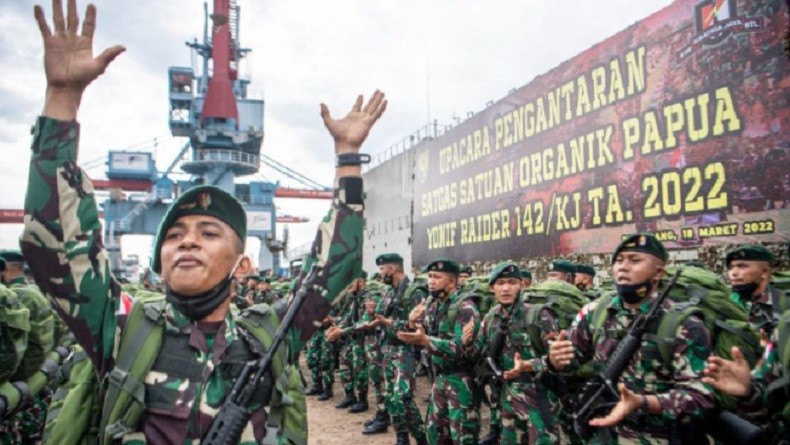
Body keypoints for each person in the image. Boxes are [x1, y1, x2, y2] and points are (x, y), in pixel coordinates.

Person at [20, 1, 386, 442]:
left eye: (209, 233)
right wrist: (62, 100)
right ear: (159, 261)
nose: (187, 241)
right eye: (174, 235)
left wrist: (348, 160)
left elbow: (334, 269)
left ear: (243, 265)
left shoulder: (269, 334)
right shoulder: (122, 329)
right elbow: (56, 247)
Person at [549, 233, 714, 443]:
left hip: (658, 437)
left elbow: (700, 399)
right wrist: (555, 361)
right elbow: (573, 363)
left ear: (659, 272)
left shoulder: (684, 325)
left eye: (635, 260)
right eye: (619, 260)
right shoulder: (596, 312)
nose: (623, 267)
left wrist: (643, 402)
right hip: (603, 433)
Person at [463, 262, 560, 445]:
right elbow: (479, 355)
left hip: (538, 398)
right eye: (500, 283)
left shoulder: (539, 316)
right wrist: (467, 344)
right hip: (506, 399)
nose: (506, 288)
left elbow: (559, 361)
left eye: (511, 282)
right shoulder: (491, 318)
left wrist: (529, 365)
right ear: (492, 288)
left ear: (522, 284)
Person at [398, 258, 481, 445]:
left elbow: (461, 349)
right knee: (435, 434)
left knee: (463, 436)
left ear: (452, 281)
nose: (431, 281)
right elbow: (422, 335)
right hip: (439, 380)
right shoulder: (433, 305)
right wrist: (411, 324)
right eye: (429, 276)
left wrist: (427, 341)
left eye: (436, 277)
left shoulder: (465, 308)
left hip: (462, 382)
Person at [365, 253, 427, 443]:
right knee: (391, 398)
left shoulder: (414, 292)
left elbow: (420, 325)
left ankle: (421, 437)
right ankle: (402, 437)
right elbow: (382, 319)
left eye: (382, 269)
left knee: (403, 398)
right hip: (388, 350)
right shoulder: (389, 292)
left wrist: (389, 322)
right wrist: (373, 315)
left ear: (392, 269)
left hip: (404, 351)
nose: (381, 273)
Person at [0, 250, 56, 443]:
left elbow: (13, 346)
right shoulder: (35, 293)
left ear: (5, 269)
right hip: (35, 377)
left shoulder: (15, 297)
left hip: (20, 383)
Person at [726, 245, 782, 336]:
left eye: (742, 266)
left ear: (765, 272)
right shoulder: (726, 301)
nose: (733, 273)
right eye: (730, 267)